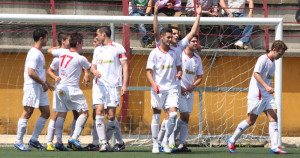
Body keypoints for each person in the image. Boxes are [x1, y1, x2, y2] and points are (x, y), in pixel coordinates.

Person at [153, 1, 201, 150]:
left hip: (175, 88)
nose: (174, 36)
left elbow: (192, 32)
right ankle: (160, 142)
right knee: (164, 116)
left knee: (173, 116)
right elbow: (155, 32)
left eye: (176, 34)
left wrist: (198, 16)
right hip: (162, 87)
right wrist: (154, 14)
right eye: (171, 34)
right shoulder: (159, 47)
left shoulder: (179, 46)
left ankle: (169, 142)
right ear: (167, 36)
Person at [226, 40, 288, 154]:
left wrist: (268, 88)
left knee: (274, 116)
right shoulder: (263, 59)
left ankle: (274, 146)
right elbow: (256, 74)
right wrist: (266, 86)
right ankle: (232, 140)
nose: (281, 56)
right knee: (251, 120)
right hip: (257, 94)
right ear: (274, 50)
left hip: (266, 95)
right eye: (280, 54)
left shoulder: (273, 62)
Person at [47, 32, 91, 151]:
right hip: (71, 89)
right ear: (77, 43)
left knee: (61, 114)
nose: (83, 45)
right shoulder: (78, 57)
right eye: (82, 43)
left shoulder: (62, 53)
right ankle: (71, 138)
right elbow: (90, 67)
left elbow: (49, 51)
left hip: (60, 89)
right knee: (84, 113)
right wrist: (94, 73)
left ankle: (59, 142)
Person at [14, 28, 54, 151]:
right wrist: (43, 83)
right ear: (41, 38)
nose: (48, 40)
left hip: (40, 86)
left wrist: (48, 84)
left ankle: (34, 139)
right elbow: (31, 72)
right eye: (47, 38)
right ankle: (18, 141)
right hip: (32, 86)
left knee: (46, 112)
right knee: (28, 112)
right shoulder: (34, 53)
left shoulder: (39, 53)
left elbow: (39, 72)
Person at [91, 26, 129, 152]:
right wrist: (94, 71)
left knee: (111, 116)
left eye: (98, 34)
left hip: (113, 86)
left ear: (103, 34)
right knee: (99, 111)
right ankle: (103, 143)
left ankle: (107, 141)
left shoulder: (118, 47)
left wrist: (124, 85)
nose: (96, 37)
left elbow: (125, 67)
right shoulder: (97, 50)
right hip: (99, 85)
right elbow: (92, 66)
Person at [146, 27, 182, 153]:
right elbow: (149, 72)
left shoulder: (175, 52)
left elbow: (179, 67)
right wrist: (154, 84)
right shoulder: (154, 53)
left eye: (171, 37)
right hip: (158, 89)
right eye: (168, 37)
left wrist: (179, 73)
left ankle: (165, 142)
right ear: (161, 37)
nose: (170, 39)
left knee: (172, 115)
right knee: (156, 117)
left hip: (172, 88)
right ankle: (155, 144)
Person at [171, 35, 203, 152]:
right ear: (188, 43)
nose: (195, 43)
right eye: (193, 41)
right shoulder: (180, 55)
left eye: (196, 41)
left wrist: (193, 86)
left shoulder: (197, 58)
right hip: (179, 90)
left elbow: (200, 77)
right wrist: (181, 87)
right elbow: (173, 72)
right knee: (184, 115)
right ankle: (170, 138)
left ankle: (181, 144)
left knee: (186, 118)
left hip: (189, 91)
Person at [46, 32, 71, 151]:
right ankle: (49, 142)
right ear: (63, 41)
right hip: (60, 89)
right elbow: (49, 70)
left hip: (70, 89)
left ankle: (59, 142)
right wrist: (55, 77)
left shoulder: (71, 54)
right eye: (68, 40)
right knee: (56, 114)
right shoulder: (58, 57)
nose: (71, 42)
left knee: (63, 114)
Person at [83, 34, 102, 151]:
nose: (93, 44)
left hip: (107, 88)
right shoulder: (96, 54)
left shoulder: (107, 53)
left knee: (110, 115)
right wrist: (87, 73)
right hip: (97, 87)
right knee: (96, 113)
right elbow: (89, 66)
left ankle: (116, 141)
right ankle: (96, 142)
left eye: (95, 41)